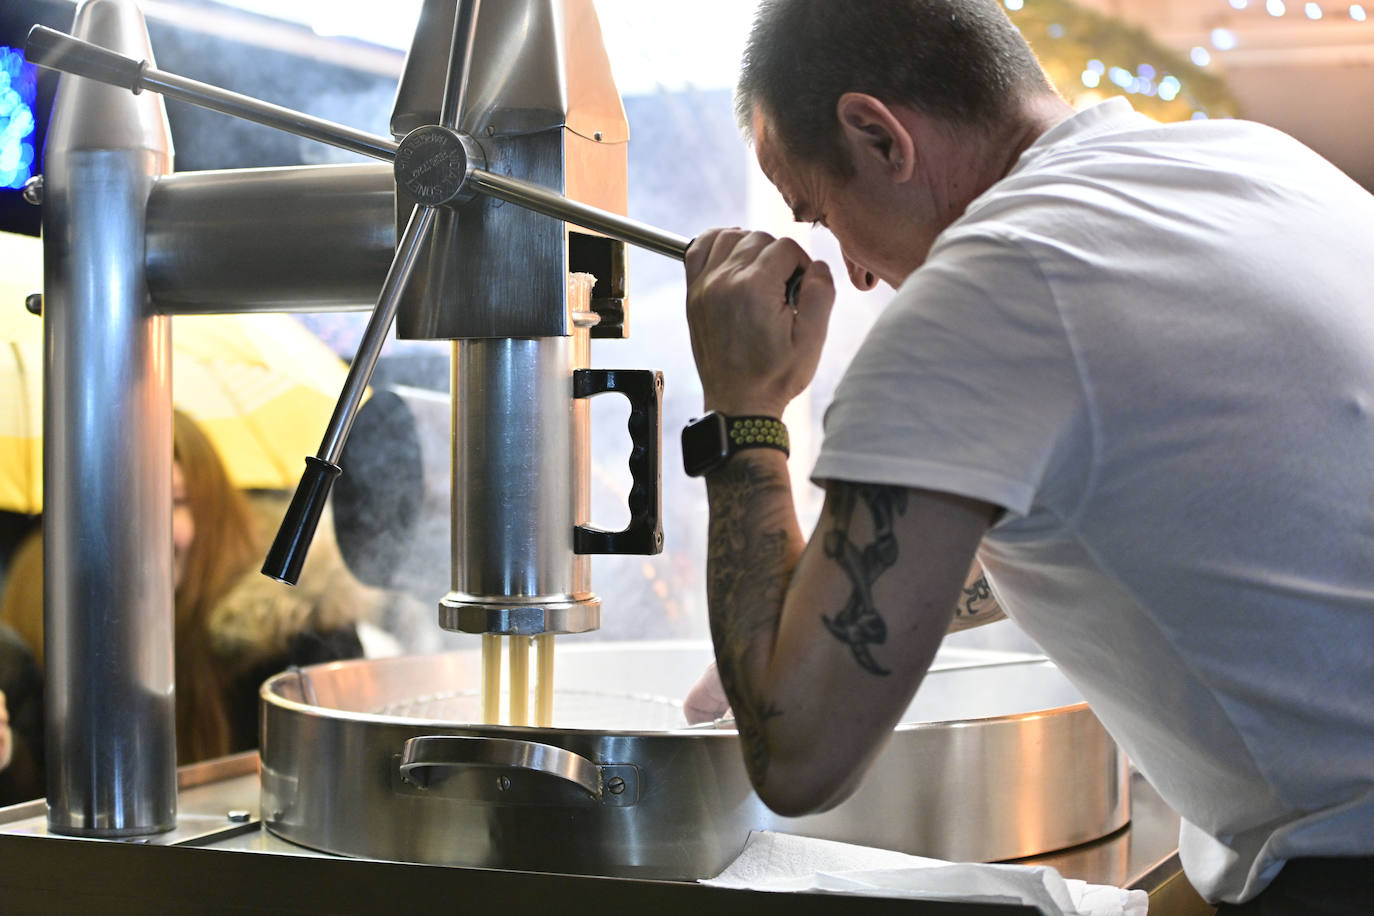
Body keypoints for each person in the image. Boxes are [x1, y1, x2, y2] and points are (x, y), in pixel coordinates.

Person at [678, 1, 1374, 912]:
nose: (852, 270)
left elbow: (798, 757)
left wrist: (743, 407)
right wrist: (823, 618)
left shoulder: (983, 291)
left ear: (879, 137)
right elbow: (1177, 516)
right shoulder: (1258, 163)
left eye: (820, 210)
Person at [0, 410, 379, 771]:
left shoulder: (295, 637)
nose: (142, 530)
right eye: (116, 502)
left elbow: (338, 777)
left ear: (212, 513)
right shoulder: (37, 609)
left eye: (174, 500)